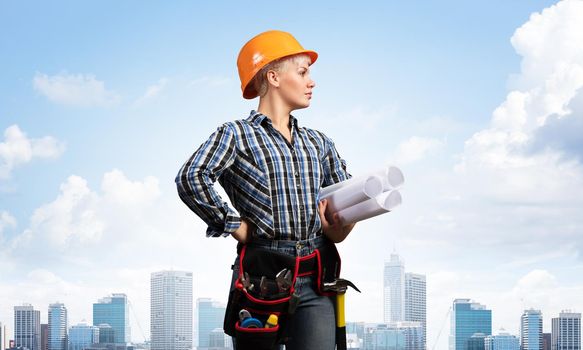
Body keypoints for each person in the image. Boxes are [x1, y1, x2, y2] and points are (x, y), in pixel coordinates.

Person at [176, 30, 355, 350]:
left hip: (316, 279)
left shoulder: (318, 142)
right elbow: (192, 177)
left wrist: (344, 224)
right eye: (302, 72)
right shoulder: (235, 135)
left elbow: (343, 198)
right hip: (260, 280)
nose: (311, 81)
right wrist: (234, 225)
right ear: (273, 76)